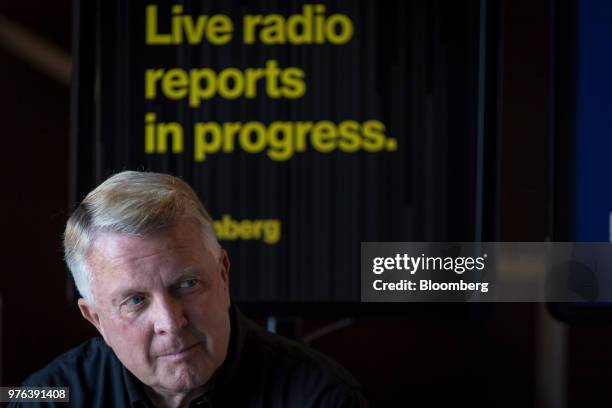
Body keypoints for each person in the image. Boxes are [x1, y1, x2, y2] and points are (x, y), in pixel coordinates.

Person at [11, 171, 368, 408]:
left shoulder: (323, 399)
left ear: (224, 276)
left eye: (187, 284)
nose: (171, 321)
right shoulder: (45, 400)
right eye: (135, 300)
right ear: (95, 318)